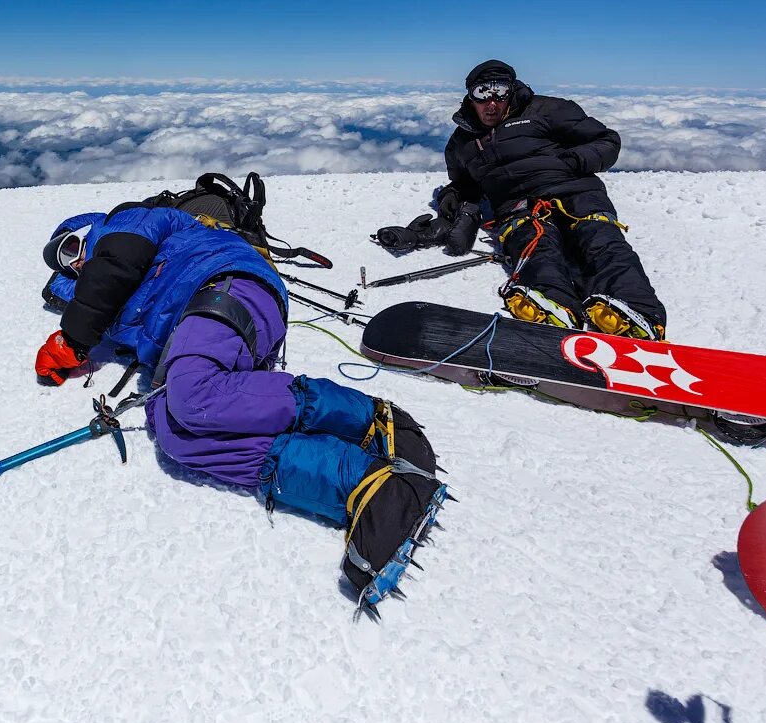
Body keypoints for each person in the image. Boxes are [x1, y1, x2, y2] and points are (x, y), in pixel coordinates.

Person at [34, 201, 446, 607]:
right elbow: (87, 290)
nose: (75, 262)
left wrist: (71, 339)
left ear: (90, 229)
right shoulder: (107, 293)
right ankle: (359, 482)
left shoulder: (128, 223)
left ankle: (370, 419)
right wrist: (71, 296)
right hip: (195, 326)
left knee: (193, 395)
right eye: (65, 263)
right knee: (176, 434)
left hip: (226, 286)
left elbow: (114, 266)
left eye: (72, 247)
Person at [438, 59, 668, 340]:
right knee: (533, 244)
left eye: (499, 93)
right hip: (518, 205)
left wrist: (573, 161)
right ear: (470, 97)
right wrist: (453, 197)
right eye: (482, 94)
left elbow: (606, 141)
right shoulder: (461, 143)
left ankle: (636, 310)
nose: (492, 104)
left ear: (511, 92)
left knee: (600, 239)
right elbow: (464, 183)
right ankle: (552, 304)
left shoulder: (547, 110)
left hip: (576, 190)